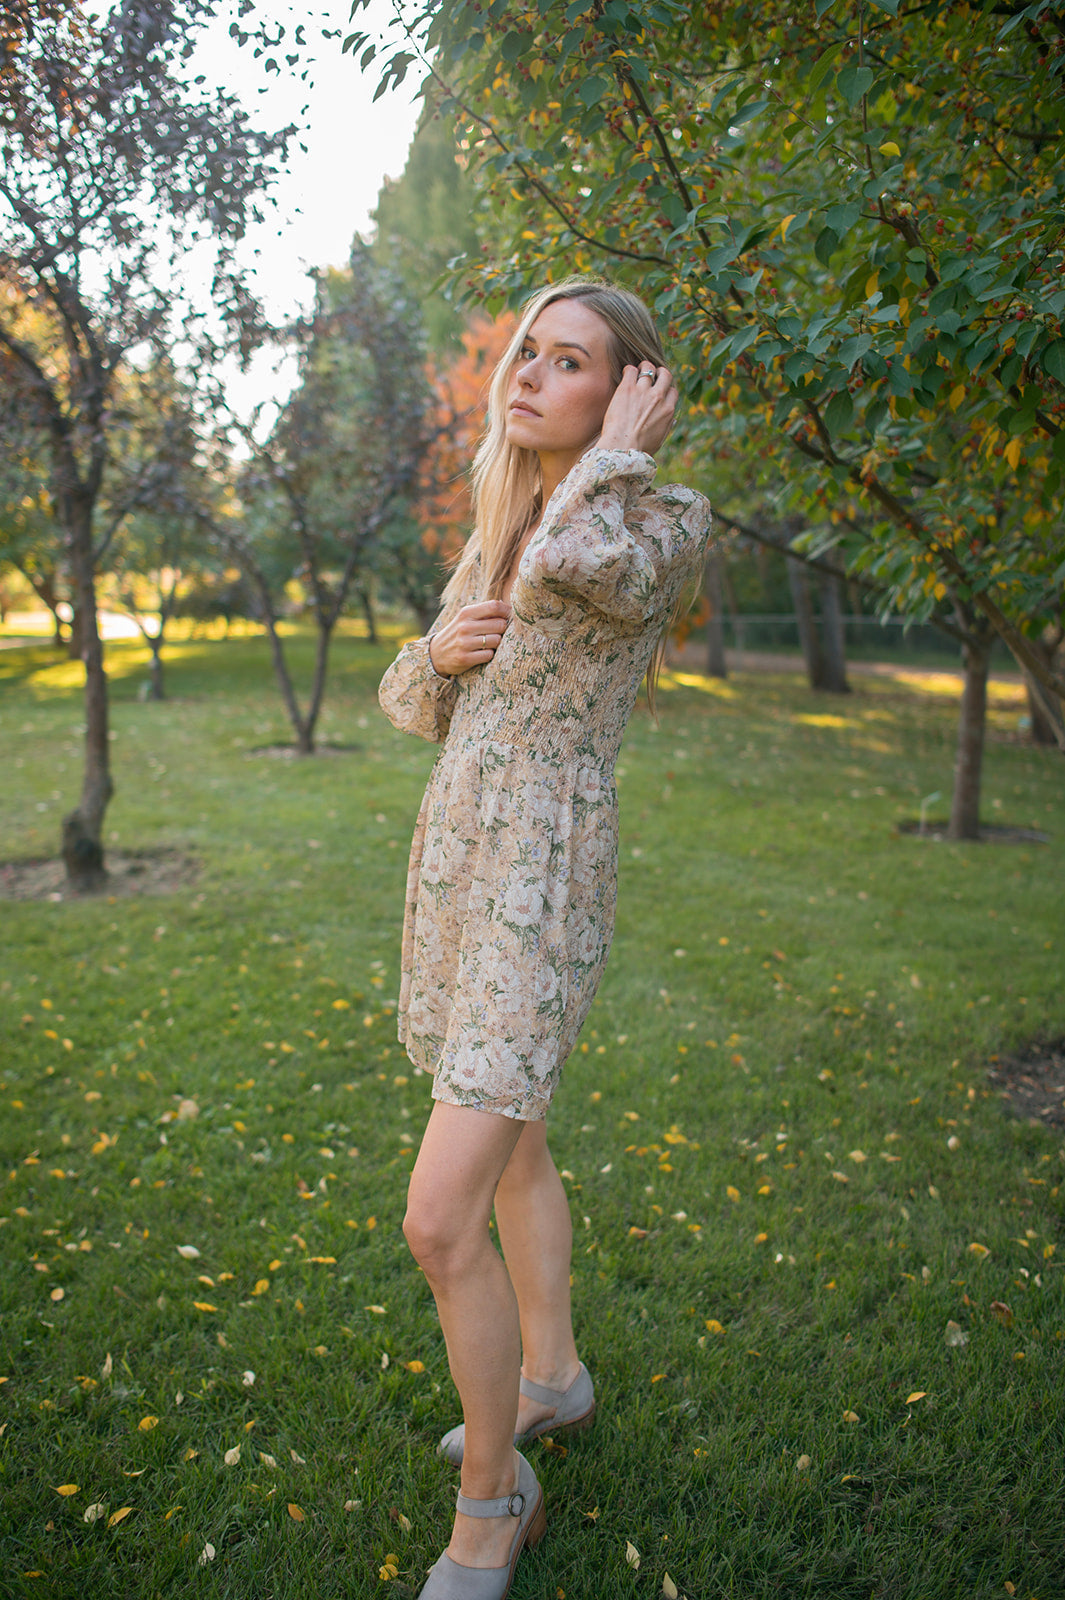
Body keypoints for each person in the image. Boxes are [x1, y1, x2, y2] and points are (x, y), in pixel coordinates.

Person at [378, 275, 713, 1600]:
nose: (525, 374)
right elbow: (413, 703)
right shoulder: (504, 520)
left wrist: (618, 457)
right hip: (459, 865)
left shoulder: (655, 519)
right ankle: (554, 1377)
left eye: (567, 361)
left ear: (631, 392)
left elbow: (586, 572)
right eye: (526, 351)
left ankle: (492, 1502)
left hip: (542, 879)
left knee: (438, 1217)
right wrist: (441, 653)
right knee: (515, 1146)